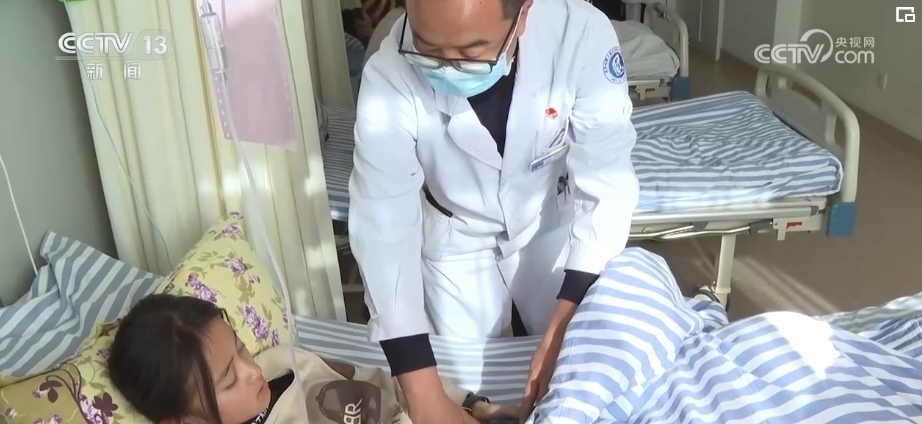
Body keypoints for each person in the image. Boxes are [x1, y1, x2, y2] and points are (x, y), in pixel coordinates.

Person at [348, 0, 638, 422]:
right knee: (463, 386)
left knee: (575, 374)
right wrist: (423, 393)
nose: (447, 67)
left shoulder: (578, 36)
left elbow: (607, 183)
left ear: (523, 15)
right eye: (427, 48)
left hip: (547, 226)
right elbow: (382, 225)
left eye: (471, 52)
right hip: (456, 240)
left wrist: (563, 327)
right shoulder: (389, 74)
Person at [107, 294, 519, 424]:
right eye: (229, 380)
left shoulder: (282, 362)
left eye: (241, 348)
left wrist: (473, 405)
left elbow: (380, 380)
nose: (252, 370)